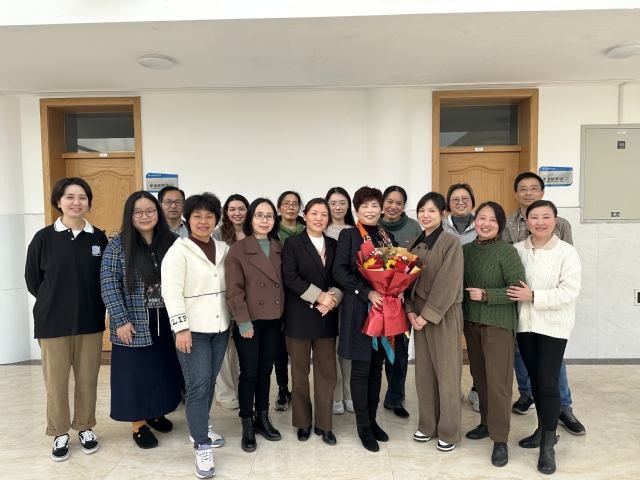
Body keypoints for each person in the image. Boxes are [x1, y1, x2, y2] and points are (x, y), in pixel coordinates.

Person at [25, 177, 108, 462]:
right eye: (69, 196)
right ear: (58, 202)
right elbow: (33, 280)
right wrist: (55, 301)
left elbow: (104, 278)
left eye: (82, 197)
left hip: (90, 321)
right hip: (52, 322)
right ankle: (59, 431)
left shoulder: (98, 238)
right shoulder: (43, 238)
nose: (76, 202)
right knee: (56, 382)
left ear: (89, 202)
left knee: (87, 379)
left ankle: (85, 427)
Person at [502, 172, 585, 436]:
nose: (540, 222)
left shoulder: (566, 248)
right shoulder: (514, 241)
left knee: (550, 375)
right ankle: (537, 415)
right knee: (532, 372)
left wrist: (534, 296)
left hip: (552, 322)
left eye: (546, 217)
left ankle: (558, 418)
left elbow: (568, 286)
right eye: (534, 218)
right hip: (524, 321)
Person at [100, 191, 181, 449]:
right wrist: (121, 320)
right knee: (135, 374)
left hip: (166, 319)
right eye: (138, 212)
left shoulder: (172, 242)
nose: (145, 216)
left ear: (158, 213)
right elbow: (109, 285)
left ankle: (156, 412)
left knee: (162, 369)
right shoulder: (118, 245)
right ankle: (138, 424)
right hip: (133, 321)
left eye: (150, 211)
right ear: (129, 215)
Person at [162, 193, 230, 479]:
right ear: (187, 219)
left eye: (209, 216)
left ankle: (200, 426)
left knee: (209, 382)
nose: (203, 221)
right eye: (197, 216)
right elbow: (171, 292)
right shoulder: (178, 251)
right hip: (192, 331)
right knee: (198, 386)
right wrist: (180, 328)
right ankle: (201, 445)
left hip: (221, 329)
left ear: (217, 219)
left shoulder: (224, 248)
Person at [332, 186, 400, 453]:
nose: (370, 210)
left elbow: (394, 271)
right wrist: (366, 291)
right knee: (361, 370)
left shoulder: (387, 236)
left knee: (376, 368)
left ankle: (372, 420)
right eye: (365, 206)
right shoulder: (349, 235)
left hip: (384, 310)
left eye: (374, 205)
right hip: (359, 309)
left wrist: (397, 288)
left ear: (380, 208)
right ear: (356, 210)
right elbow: (339, 271)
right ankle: (362, 427)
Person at [462, 201, 525, 467]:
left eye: (492, 220)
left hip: (498, 326)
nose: (485, 224)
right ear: (475, 221)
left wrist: (486, 295)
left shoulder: (507, 252)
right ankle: (486, 424)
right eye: (481, 218)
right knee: (481, 380)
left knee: (499, 384)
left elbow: (517, 290)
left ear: (500, 225)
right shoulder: (464, 250)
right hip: (471, 324)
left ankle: (500, 439)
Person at [404, 192, 464, 452]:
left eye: (431, 210)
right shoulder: (413, 243)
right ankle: (428, 425)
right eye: (421, 210)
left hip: (443, 314)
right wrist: (410, 311)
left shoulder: (450, 242)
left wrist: (426, 315)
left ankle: (449, 431)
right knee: (424, 373)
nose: (425, 215)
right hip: (418, 316)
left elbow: (448, 283)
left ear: (443, 214)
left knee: (447, 374)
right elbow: (405, 281)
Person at [224, 198, 285, 452]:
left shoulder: (280, 247)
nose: (264, 220)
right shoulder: (238, 249)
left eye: (269, 216)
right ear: (251, 218)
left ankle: (262, 417)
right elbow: (234, 289)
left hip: (274, 320)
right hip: (249, 321)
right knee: (248, 373)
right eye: (259, 215)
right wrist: (242, 320)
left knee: (265, 371)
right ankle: (247, 423)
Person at [282, 198, 343, 445]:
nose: (319, 218)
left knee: (327, 374)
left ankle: (325, 425)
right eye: (314, 213)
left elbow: (341, 276)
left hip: (327, 315)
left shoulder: (335, 244)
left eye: (324, 214)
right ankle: (303, 423)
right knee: (299, 374)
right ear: (304, 216)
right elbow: (290, 277)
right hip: (299, 317)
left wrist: (332, 300)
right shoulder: (292, 243)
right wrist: (319, 296)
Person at [378, 186, 422, 419]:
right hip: (375, 301)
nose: (393, 206)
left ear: (405, 205)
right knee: (378, 351)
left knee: (400, 351)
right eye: (389, 201)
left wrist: (403, 288)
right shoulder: (372, 225)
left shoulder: (414, 227)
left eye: (399, 203)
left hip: (402, 300)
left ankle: (395, 397)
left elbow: (418, 263)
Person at [441, 183, 479, 412]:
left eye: (465, 198)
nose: (460, 202)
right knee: (450, 348)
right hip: (449, 297)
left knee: (476, 348)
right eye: (455, 199)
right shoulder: (440, 226)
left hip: (475, 295)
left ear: (472, 201)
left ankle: (477, 389)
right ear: (448, 203)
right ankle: (452, 389)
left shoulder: (482, 223)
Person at [212, 194, 249, 410]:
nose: (237, 213)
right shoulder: (218, 235)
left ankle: (237, 387)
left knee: (240, 345)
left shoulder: (254, 232)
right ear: (226, 212)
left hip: (249, 296)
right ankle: (225, 392)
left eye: (241, 208)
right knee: (224, 346)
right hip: (225, 294)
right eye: (232, 209)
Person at [325, 187, 356, 415]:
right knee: (331, 347)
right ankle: (335, 394)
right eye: (333, 203)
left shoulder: (356, 231)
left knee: (349, 346)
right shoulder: (320, 229)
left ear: (349, 205)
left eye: (342, 202)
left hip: (352, 296)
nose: (338, 207)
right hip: (328, 297)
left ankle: (349, 393)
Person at [273, 191, 305, 411]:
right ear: (279, 208)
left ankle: (301, 390)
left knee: (300, 348)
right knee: (280, 347)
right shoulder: (272, 231)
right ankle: (283, 389)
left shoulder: (308, 229)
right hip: (278, 295)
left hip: (303, 294)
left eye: (295, 204)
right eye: (286, 203)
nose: (291, 207)